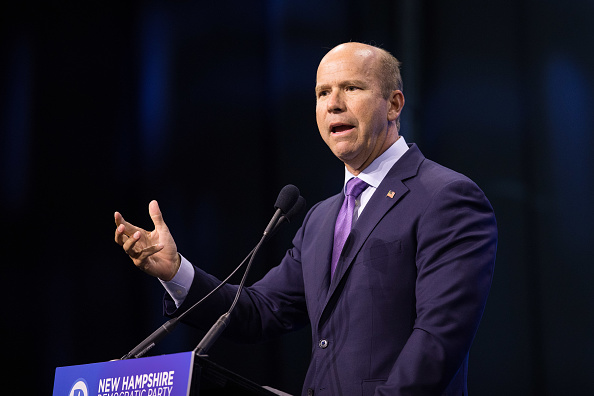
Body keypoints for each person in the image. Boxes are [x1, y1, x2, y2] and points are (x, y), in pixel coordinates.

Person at [114, 42, 497, 396]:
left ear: (394, 105)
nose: (333, 104)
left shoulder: (446, 197)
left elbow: (438, 340)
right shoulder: (321, 218)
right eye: (322, 93)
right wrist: (175, 271)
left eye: (351, 88)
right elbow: (259, 312)